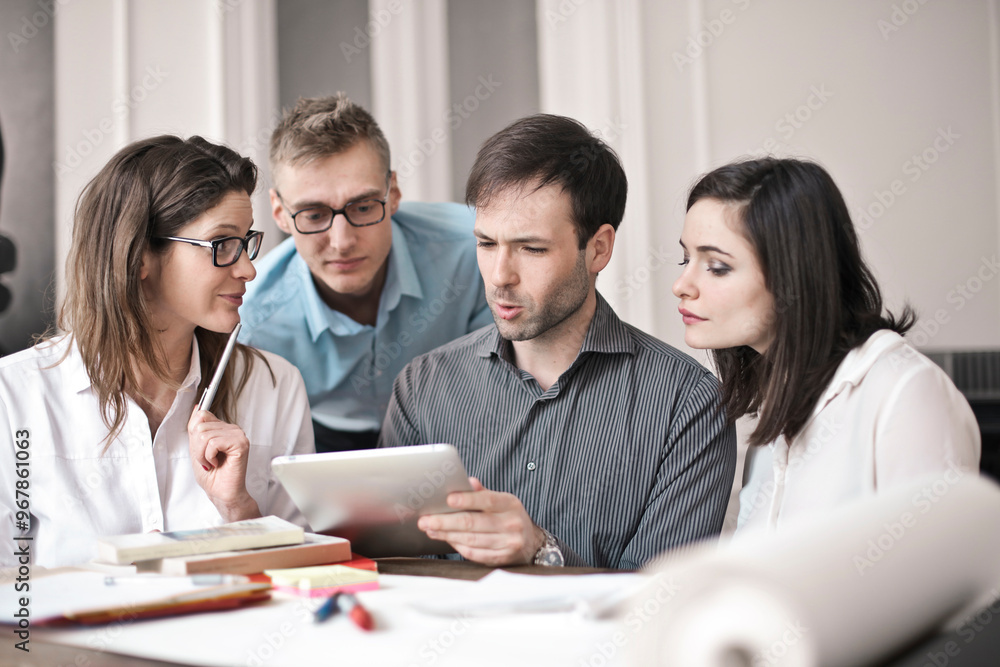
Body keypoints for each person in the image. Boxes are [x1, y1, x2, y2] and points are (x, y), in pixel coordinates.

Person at [379, 114, 737, 570]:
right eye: (487, 244)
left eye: (532, 249)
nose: (500, 277)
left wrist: (541, 551)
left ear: (599, 249)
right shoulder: (421, 387)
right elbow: (392, 573)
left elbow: (657, 601)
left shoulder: (687, 405)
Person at [0, 136, 314, 568]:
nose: (248, 269)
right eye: (221, 244)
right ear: (139, 256)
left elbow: (307, 582)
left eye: (246, 242)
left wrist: (239, 509)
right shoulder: (13, 397)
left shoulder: (275, 387)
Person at [671, 157, 981, 534]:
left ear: (794, 273)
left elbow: (940, 581)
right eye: (686, 259)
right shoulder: (776, 402)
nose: (682, 285)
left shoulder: (905, 392)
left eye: (717, 267)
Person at [239, 94, 492, 453]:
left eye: (363, 206)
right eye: (313, 215)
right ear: (280, 212)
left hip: (453, 423)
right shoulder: (249, 316)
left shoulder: (478, 248)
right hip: (317, 439)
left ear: (393, 193)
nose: (342, 243)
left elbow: (508, 385)